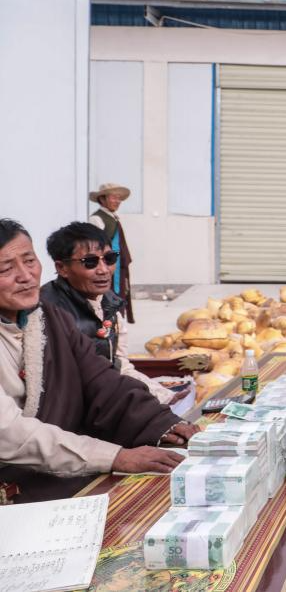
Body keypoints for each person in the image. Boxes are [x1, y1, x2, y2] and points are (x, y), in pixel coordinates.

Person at [0, 219, 198, 503]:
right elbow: (9, 433)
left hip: (62, 465)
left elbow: (101, 380)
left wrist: (159, 422)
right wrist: (115, 457)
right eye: (6, 269)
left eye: (29, 261)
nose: (25, 276)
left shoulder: (51, 319)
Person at [39, 222, 186, 406]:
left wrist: (161, 394)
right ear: (62, 268)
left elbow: (118, 365)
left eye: (109, 259)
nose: (104, 270)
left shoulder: (109, 303)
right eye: (90, 262)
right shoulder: (47, 313)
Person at [88, 183, 135, 323]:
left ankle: (119, 323)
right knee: (107, 295)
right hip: (107, 264)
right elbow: (96, 246)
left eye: (119, 198)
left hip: (118, 264)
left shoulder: (113, 217)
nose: (118, 201)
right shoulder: (96, 219)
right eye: (114, 197)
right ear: (102, 199)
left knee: (120, 293)